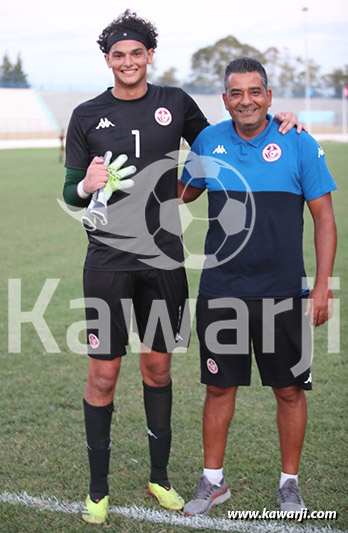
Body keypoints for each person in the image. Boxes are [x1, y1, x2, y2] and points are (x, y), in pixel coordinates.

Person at [63, 9, 302, 525]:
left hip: (163, 261)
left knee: (157, 368)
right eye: (118, 55)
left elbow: (228, 135)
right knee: (102, 376)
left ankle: (160, 479)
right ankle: (97, 489)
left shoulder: (175, 103)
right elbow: (70, 191)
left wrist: (281, 118)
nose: (128, 62)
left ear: (149, 56)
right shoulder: (85, 115)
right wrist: (86, 185)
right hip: (105, 262)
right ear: (107, 60)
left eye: (137, 53)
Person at [178, 57, 337, 516]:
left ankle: (289, 483)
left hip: (283, 292)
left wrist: (322, 285)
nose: (245, 100)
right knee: (218, 389)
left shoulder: (297, 141)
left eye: (254, 91)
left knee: (289, 390)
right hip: (222, 290)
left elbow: (324, 218)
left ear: (268, 96)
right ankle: (213, 481)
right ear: (225, 99)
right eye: (236, 92)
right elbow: (180, 193)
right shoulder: (209, 141)